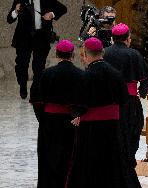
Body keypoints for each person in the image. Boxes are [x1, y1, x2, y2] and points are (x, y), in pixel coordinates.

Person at [70, 37, 141, 187]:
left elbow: (79, 104)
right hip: (113, 126)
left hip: (91, 129)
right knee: (115, 161)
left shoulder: (85, 75)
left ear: (87, 55)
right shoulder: (115, 73)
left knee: (90, 163)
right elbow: (123, 99)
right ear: (102, 52)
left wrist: (76, 114)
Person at [37, 40, 86, 188]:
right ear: (73, 55)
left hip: (50, 123)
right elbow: (85, 101)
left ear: (57, 55)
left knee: (49, 157)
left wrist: (43, 120)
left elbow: (38, 101)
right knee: (69, 158)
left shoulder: (46, 73)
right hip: (72, 122)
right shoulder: (80, 74)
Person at [104, 23, 148, 168]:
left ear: (112, 38)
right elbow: (146, 80)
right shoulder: (134, 54)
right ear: (128, 39)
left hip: (108, 102)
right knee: (131, 132)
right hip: (129, 102)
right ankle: (127, 163)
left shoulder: (104, 53)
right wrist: (142, 93)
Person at [7, 0, 67, 99]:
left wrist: (52, 14)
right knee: (22, 64)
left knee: (39, 65)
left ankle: (36, 89)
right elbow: (9, 19)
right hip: (24, 38)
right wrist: (16, 11)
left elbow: (63, 9)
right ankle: (22, 86)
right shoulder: (20, 0)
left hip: (41, 37)